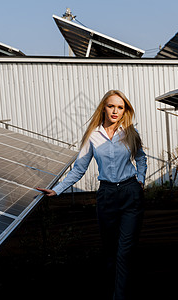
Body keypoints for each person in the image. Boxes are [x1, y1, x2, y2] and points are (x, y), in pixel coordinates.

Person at [36, 90, 147, 300]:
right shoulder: (93, 135)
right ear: (103, 108)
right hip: (106, 196)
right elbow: (79, 168)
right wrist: (57, 189)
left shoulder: (131, 133)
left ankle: (120, 296)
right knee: (110, 250)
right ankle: (110, 288)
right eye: (111, 106)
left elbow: (141, 158)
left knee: (124, 250)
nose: (115, 111)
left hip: (130, 193)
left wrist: (140, 179)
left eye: (120, 107)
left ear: (125, 111)